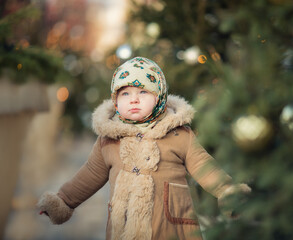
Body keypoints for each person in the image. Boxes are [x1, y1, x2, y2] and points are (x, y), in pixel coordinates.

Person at [37, 57, 251, 240]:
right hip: (124, 230)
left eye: (143, 92)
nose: (134, 100)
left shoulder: (178, 134)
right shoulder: (109, 139)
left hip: (171, 228)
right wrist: (63, 201)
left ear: (159, 97)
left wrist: (227, 191)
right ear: (115, 100)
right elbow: (89, 174)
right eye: (125, 94)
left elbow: (204, 165)